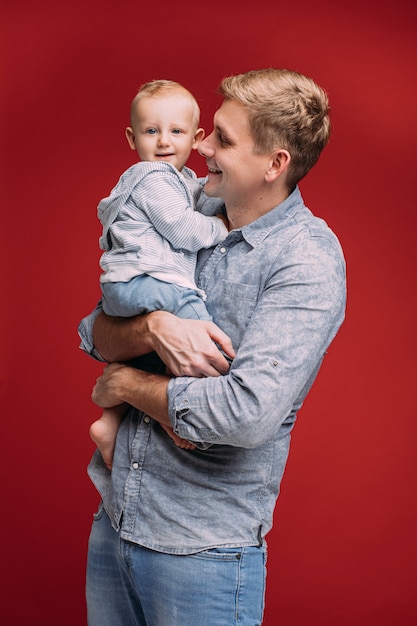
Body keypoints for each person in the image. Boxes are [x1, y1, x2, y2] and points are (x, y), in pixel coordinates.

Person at [79, 68, 346, 625]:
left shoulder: (306, 261)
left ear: (275, 165)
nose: (198, 145)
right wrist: (154, 329)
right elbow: (95, 330)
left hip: (201, 552)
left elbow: (245, 414)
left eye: (221, 138)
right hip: (116, 519)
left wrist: (125, 382)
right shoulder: (185, 209)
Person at [90, 80, 229, 469]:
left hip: (126, 286)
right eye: (152, 131)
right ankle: (177, 413)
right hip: (147, 282)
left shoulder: (181, 181)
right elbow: (184, 230)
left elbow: (195, 195)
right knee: (197, 331)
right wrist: (220, 226)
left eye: (176, 132)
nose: (164, 142)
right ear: (133, 138)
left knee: (148, 357)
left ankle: (109, 420)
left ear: (197, 138)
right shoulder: (154, 177)